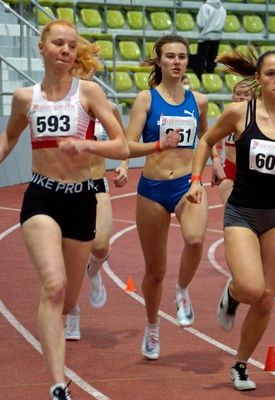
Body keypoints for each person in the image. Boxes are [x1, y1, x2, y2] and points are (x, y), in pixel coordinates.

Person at [0, 19, 129, 400]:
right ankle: (58, 383)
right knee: (52, 285)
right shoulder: (26, 97)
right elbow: (9, 137)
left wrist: (89, 147)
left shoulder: (87, 93)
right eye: (58, 44)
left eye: (72, 46)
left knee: (68, 299)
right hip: (41, 197)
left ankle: (74, 308)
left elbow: (122, 146)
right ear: (42, 47)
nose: (66, 51)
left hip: (81, 199)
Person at [186, 49, 275, 390]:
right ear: (259, 79)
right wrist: (195, 180)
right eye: (271, 74)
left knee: (266, 297)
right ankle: (232, 294)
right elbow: (206, 140)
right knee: (250, 287)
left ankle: (240, 364)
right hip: (242, 212)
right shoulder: (239, 113)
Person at [126, 35, 222, 360]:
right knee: (154, 271)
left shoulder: (200, 101)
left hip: (186, 184)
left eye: (182, 56)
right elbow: (128, 145)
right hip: (152, 190)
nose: (177, 62)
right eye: (170, 56)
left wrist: (214, 164)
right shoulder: (146, 100)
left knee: (195, 240)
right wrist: (157, 146)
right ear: (160, 61)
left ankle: (182, 291)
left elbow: (206, 139)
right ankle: (152, 327)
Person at [64, 102, 129, 341]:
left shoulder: (109, 108)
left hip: (97, 184)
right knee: (69, 259)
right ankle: (73, 313)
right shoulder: (63, 106)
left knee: (101, 245)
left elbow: (123, 143)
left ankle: (94, 270)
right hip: (67, 187)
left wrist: (123, 166)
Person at [217, 81, 253, 204]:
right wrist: (216, 161)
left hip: (251, 171)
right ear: (233, 97)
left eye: (246, 94)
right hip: (230, 169)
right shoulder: (222, 119)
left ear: (252, 97)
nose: (242, 97)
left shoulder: (259, 121)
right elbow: (209, 142)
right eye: (238, 94)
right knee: (230, 211)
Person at [192, 0, 227, 80]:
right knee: (211, 61)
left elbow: (201, 23)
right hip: (217, 36)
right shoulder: (222, 8)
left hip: (206, 35)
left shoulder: (205, 7)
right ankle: (210, 79)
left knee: (201, 60)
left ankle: (199, 80)